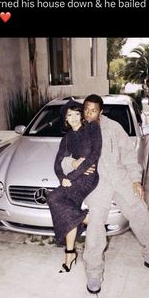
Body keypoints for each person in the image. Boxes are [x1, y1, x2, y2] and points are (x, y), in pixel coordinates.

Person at [62, 94, 149, 293]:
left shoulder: (113, 127)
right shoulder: (78, 129)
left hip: (121, 180)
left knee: (141, 213)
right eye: (86, 109)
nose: (88, 114)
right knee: (96, 226)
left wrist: (136, 181)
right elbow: (62, 158)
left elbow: (130, 157)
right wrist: (73, 163)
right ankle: (94, 272)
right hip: (97, 185)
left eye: (93, 110)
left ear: (101, 111)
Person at [47, 99, 102, 273]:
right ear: (65, 119)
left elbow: (94, 155)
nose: (73, 118)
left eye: (77, 114)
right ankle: (69, 254)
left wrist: (72, 175)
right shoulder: (67, 138)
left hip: (88, 178)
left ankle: (89, 220)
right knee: (67, 210)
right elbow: (57, 163)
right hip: (73, 178)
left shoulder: (92, 128)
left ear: (82, 115)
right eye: (69, 115)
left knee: (54, 198)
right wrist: (62, 177)